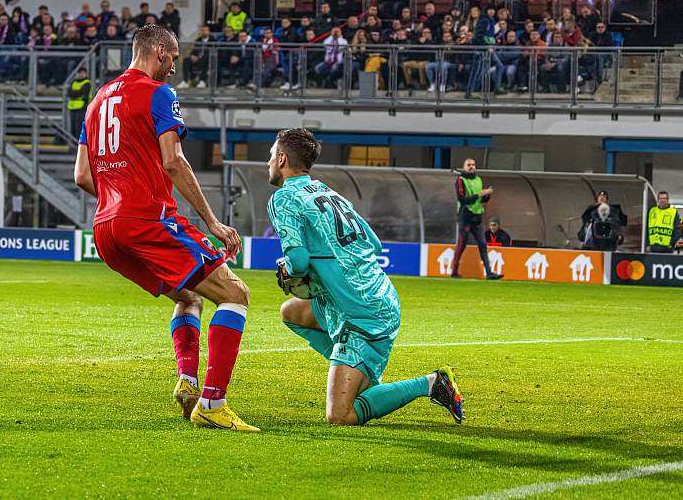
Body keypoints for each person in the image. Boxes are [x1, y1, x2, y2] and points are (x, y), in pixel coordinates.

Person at [74, 24, 258, 432]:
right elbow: (174, 162)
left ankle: (188, 383)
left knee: (188, 295)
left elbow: (83, 176)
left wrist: (118, 195)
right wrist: (212, 221)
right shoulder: (159, 94)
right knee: (235, 293)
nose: (174, 67)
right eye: (173, 57)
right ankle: (213, 404)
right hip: (146, 219)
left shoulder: (96, 102)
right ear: (158, 50)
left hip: (106, 229)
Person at [266, 128, 465, 426]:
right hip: (378, 297)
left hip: (362, 315)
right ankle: (355, 370)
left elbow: (297, 260)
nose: (268, 162)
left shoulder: (284, 198)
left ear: (282, 159)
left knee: (340, 415)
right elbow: (373, 243)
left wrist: (288, 270)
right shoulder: (329, 193)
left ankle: (431, 383)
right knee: (292, 312)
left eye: (271, 156)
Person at [451, 158, 503, 279]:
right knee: (461, 245)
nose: (471, 166)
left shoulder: (478, 180)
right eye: (469, 165)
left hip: (477, 216)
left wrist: (487, 196)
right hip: (465, 216)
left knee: (483, 244)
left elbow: (481, 200)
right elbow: (462, 199)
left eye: (473, 164)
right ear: (464, 167)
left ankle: (489, 273)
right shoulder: (460, 180)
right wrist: (480, 194)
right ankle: (454, 271)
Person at [67, 68, 91, 138]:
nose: (81, 74)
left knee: (79, 127)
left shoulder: (87, 83)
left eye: (83, 73)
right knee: (73, 128)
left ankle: (79, 143)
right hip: (72, 107)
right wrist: (78, 93)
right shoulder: (73, 82)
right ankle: (73, 143)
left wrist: (75, 93)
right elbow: (70, 93)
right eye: (80, 73)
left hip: (82, 106)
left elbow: (83, 93)